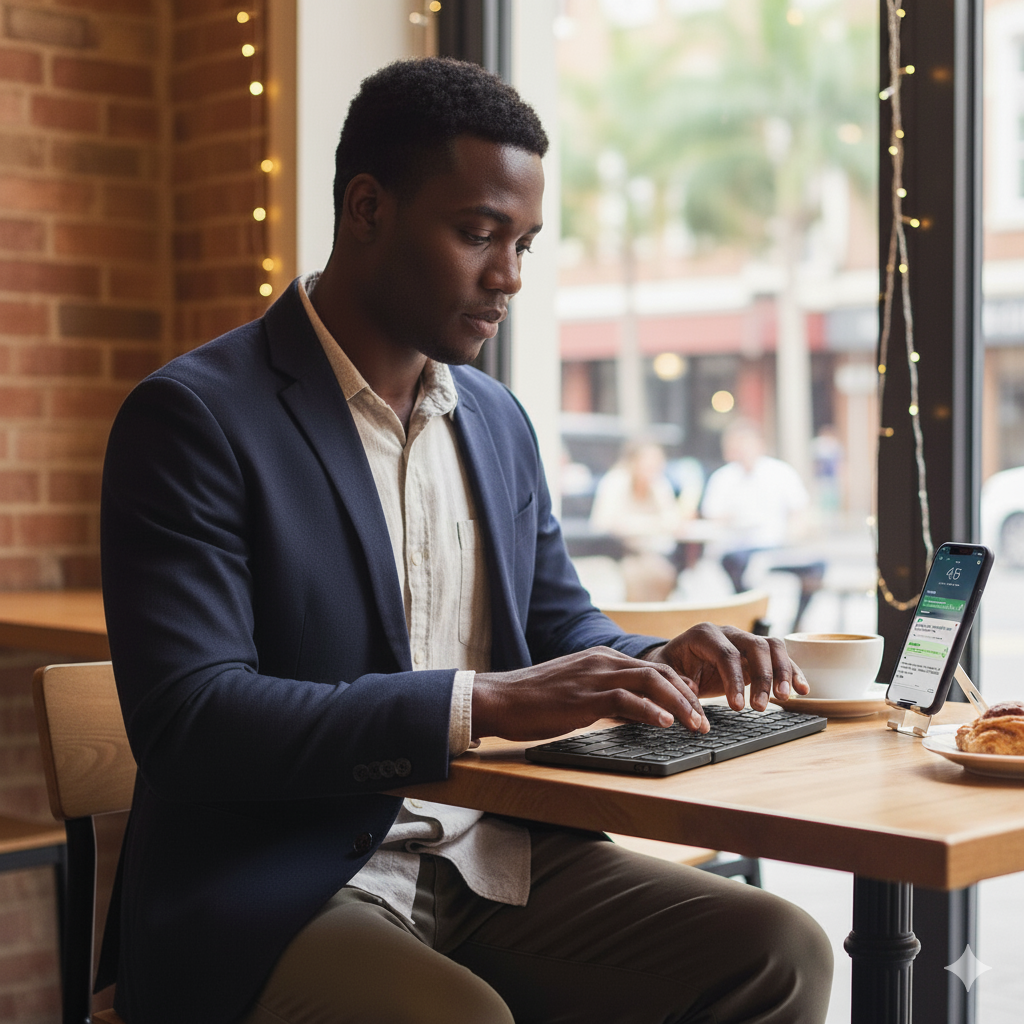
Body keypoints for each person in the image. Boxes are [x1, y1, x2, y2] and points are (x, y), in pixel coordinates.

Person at [100, 58, 832, 1024]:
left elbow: (560, 628)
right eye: (479, 234)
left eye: (524, 243)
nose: (510, 276)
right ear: (367, 208)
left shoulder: (495, 419)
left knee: (780, 952)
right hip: (279, 880)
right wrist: (478, 703)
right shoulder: (194, 417)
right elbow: (191, 721)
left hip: (493, 855)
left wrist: (657, 662)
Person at [701, 420, 810, 593]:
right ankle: (746, 602)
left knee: (814, 568)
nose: (743, 450)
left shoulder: (781, 472)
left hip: (774, 544)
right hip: (734, 547)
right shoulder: (722, 478)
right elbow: (711, 515)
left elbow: (799, 511)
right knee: (736, 563)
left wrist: (794, 533)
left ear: (760, 445)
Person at [590, 440, 682, 600]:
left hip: (652, 553)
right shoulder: (616, 481)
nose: (654, 467)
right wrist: (654, 525)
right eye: (648, 461)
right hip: (617, 554)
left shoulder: (658, 483)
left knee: (665, 575)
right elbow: (604, 523)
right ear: (633, 461)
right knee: (636, 577)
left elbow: (672, 521)